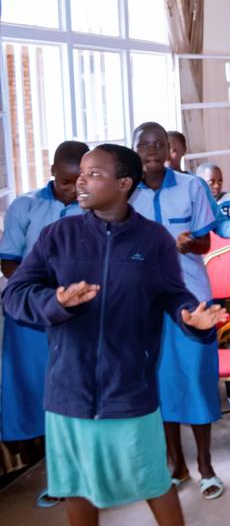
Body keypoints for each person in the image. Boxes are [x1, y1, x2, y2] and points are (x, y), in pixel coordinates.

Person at [2, 144, 222, 526]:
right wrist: (56, 300)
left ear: (124, 184)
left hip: (129, 388)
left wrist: (192, 319)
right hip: (69, 389)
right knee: (76, 486)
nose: (81, 182)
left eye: (94, 174)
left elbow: (173, 294)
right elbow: (17, 294)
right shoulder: (58, 235)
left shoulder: (153, 240)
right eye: (81, 173)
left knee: (154, 481)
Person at [129, 122, 224, 501]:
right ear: (133, 149)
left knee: (197, 379)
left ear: (170, 149)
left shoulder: (191, 186)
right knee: (160, 383)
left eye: (159, 144)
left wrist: (190, 244)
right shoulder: (125, 192)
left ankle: (206, 464)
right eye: (144, 145)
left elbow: (205, 241)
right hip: (142, 302)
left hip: (191, 296)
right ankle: (175, 463)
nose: (152, 151)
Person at [0, 141, 88, 508]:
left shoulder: (93, 208)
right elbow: (8, 264)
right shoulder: (26, 206)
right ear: (52, 171)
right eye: (67, 181)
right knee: (40, 394)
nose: (74, 189)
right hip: (32, 316)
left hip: (79, 314)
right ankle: (57, 475)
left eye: (81, 180)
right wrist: (46, 298)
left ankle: (86, 473)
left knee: (79, 394)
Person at [195, 163, 230, 238]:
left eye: (220, 182)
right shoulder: (198, 204)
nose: (217, 186)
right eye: (211, 183)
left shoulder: (229, 200)